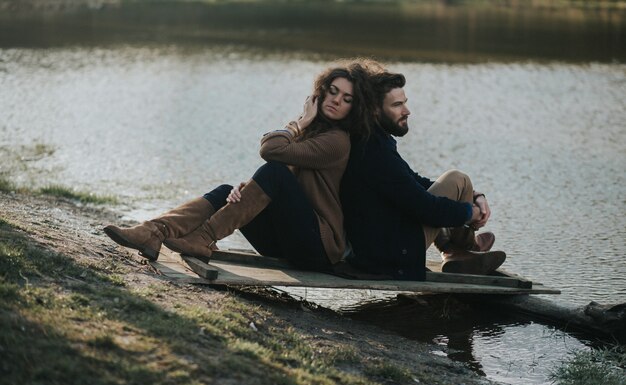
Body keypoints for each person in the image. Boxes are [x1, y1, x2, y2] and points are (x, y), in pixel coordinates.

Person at [104, 60, 376, 270]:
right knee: (227, 191)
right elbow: (286, 180)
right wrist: (250, 191)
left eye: (347, 99)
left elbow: (270, 150)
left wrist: (299, 121)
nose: (337, 100)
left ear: (353, 108)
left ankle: (203, 238)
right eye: (333, 91)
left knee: (273, 171)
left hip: (319, 248)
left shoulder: (337, 141)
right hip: (287, 239)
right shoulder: (314, 135)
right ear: (321, 93)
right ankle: (153, 231)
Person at [339, 70, 506, 280]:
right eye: (397, 105)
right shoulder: (375, 153)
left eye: (404, 102)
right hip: (390, 255)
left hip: (383, 242)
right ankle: (462, 251)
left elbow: (414, 182)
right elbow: (427, 208)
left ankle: (458, 251)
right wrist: (469, 213)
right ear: (374, 111)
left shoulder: (372, 141)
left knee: (460, 183)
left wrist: (474, 196)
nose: (407, 111)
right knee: (458, 179)